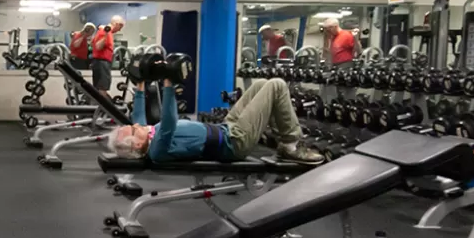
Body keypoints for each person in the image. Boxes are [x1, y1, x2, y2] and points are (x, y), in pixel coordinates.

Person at [109, 76, 323, 165]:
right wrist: (168, 86)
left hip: (227, 127)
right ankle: (290, 144)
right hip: (235, 142)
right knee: (276, 85)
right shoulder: (157, 150)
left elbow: (138, 116)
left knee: (260, 84)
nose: (136, 125)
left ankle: (284, 139)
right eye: (133, 130)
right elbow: (169, 121)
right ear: (137, 144)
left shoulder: (147, 136)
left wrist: (139, 82)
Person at [322, 17, 358, 99]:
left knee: (346, 89)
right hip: (336, 66)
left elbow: (356, 50)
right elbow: (328, 51)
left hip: (345, 65)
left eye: (328, 29)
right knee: (338, 88)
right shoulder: (334, 37)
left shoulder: (346, 35)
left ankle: (349, 105)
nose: (327, 32)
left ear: (334, 27)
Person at [90, 15, 123, 93]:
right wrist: (105, 35)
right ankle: (103, 104)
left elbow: (92, 43)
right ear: (116, 24)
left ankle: (102, 104)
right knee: (102, 88)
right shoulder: (104, 32)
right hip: (101, 63)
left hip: (102, 63)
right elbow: (97, 46)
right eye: (121, 26)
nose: (120, 29)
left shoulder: (107, 32)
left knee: (100, 88)